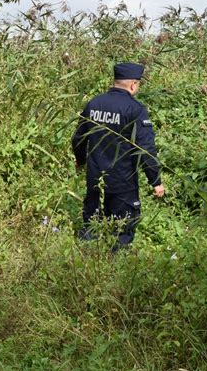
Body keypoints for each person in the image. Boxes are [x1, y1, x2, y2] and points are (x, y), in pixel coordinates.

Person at [71, 62, 165, 251]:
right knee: (122, 231)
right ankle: (115, 270)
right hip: (123, 182)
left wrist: (81, 161)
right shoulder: (135, 109)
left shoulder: (94, 103)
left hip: (95, 178)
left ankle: (86, 264)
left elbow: (78, 138)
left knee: (92, 225)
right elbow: (145, 149)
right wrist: (155, 181)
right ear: (133, 85)